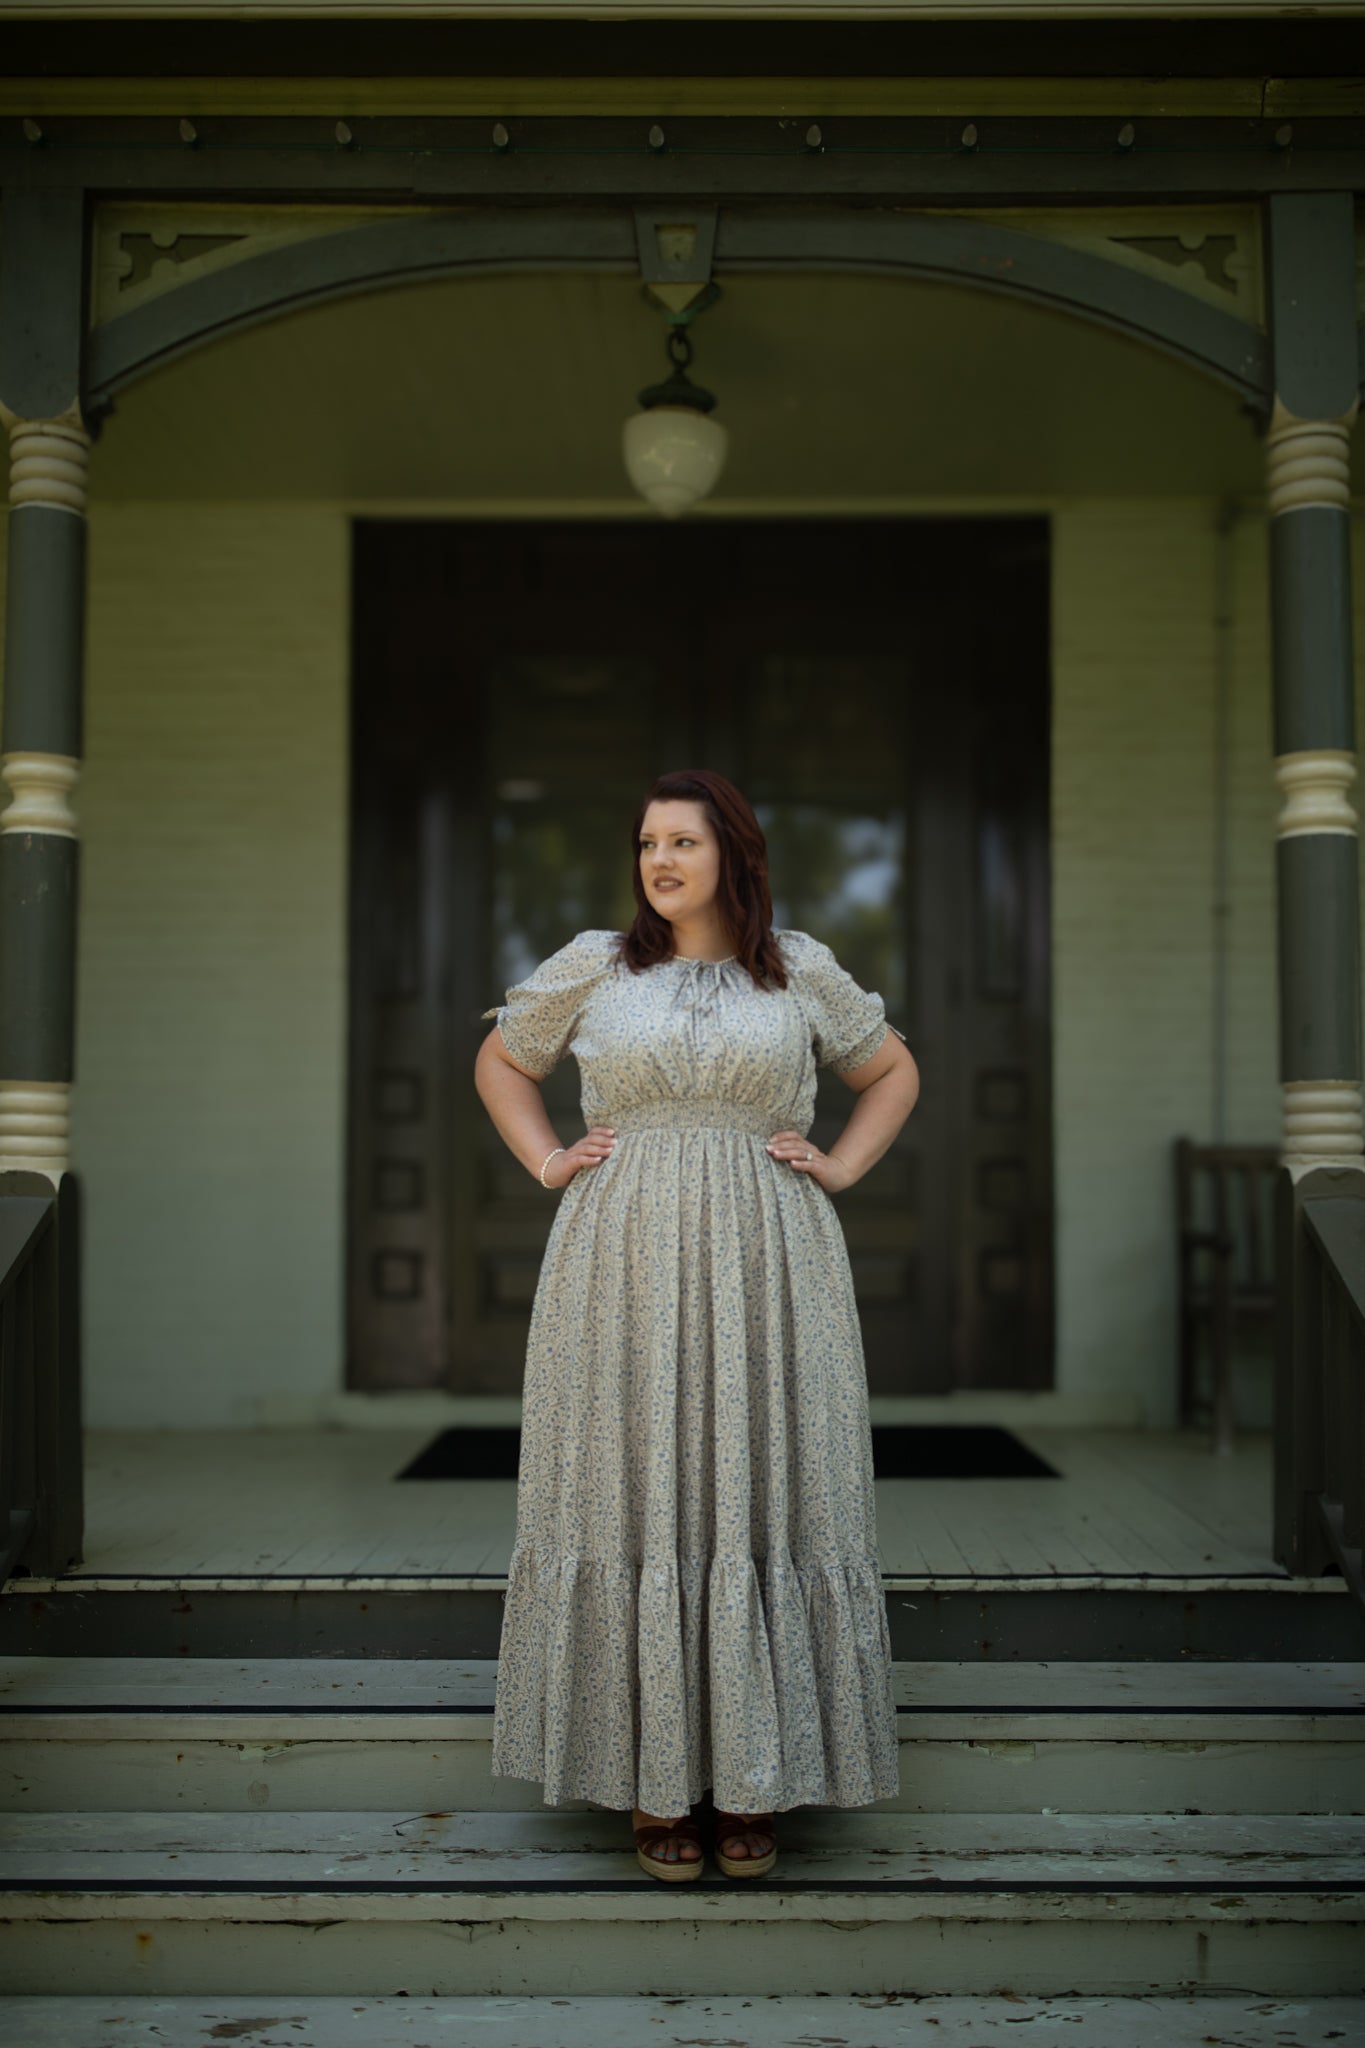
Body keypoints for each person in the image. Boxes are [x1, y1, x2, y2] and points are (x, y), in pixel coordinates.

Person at [474, 768, 920, 1882]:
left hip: (771, 1257)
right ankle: (652, 1780)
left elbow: (893, 1069)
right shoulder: (597, 963)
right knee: (635, 1485)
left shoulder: (799, 969)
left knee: (760, 1486)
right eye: (645, 843)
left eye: (682, 840)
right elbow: (500, 1059)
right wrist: (545, 1157)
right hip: (619, 1253)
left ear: (734, 851)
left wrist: (841, 1165)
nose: (659, 861)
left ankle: (754, 1778)